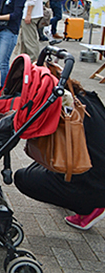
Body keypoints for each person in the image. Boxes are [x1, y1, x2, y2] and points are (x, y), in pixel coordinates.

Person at [15, 84, 105, 231]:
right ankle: (86, 199)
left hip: (95, 183)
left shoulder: (65, 112)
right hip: (97, 166)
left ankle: (88, 208)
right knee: (42, 165)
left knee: (24, 177)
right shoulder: (86, 97)